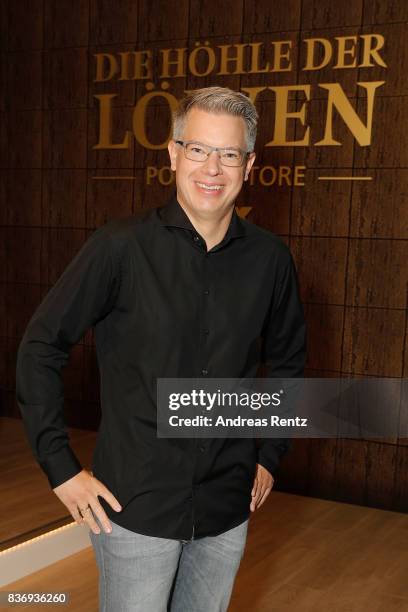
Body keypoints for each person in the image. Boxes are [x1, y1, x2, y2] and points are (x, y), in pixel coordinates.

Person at [16, 86, 306, 611]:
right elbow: (40, 346)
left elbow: (288, 363)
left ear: (249, 164)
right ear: (172, 155)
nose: (212, 168)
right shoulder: (119, 247)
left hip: (226, 507)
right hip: (134, 508)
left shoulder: (271, 260)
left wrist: (268, 456)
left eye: (228, 154)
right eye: (198, 149)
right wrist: (61, 469)